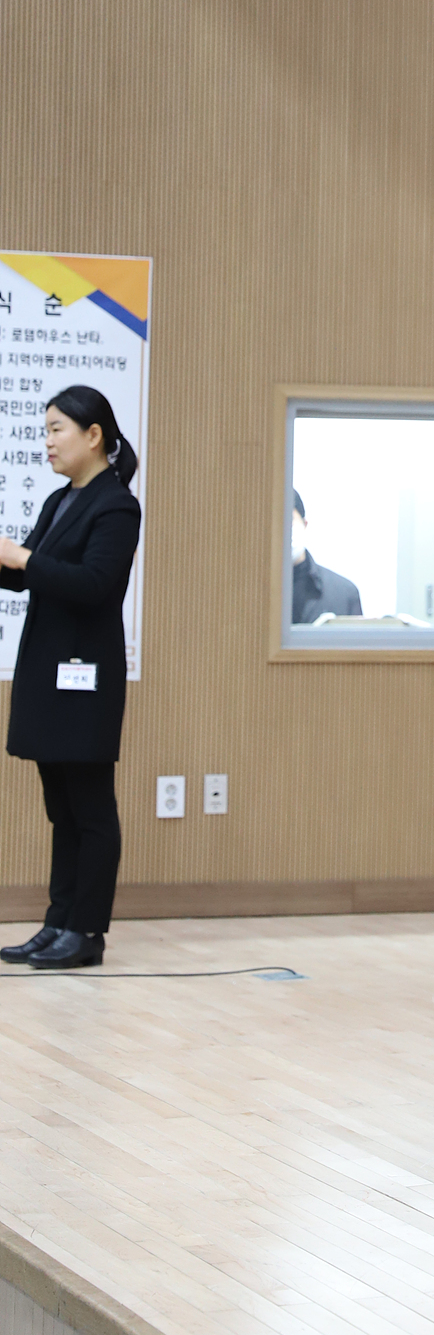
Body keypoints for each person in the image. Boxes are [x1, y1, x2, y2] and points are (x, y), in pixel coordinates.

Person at [0, 388, 141, 970]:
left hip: (86, 677)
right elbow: (22, 577)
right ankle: (57, 922)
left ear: (94, 435)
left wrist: (23, 558)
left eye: (57, 429)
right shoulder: (61, 500)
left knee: (90, 807)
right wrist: (12, 559)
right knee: (61, 808)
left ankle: (86, 931)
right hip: (49, 671)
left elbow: (93, 585)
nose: (49, 442)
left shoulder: (117, 507)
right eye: (46, 431)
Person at [290, 490, 363, 622]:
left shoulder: (344, 593)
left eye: (289, 522)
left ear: (304, 524)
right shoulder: (251, 590)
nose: (282, 531)